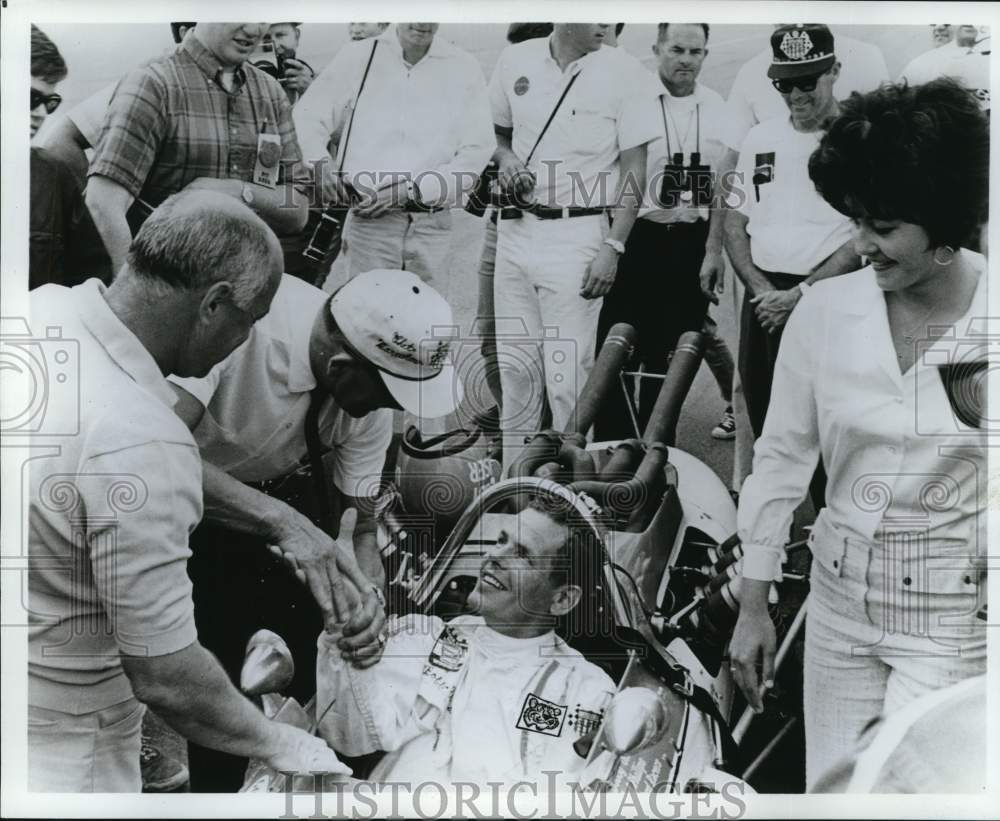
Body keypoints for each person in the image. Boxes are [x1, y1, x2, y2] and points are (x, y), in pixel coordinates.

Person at [27, 190, 351, 792]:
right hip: (63, 744)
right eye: (250, 321)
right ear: (214, 305)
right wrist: (283, 744)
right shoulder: (146, 439)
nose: (246, 339)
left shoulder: (38, 313)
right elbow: (168, 676)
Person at [730, 78, 989, 791]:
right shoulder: (824, 314)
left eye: (883, 227)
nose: (862, 246)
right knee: (832, 795)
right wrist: (755, 604)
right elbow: (780, 459)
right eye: (856, 222)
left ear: (944, 219)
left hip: (951, 621)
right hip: (837, 609)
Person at [169, 268, 463, 791]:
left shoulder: (362, 387)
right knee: (213, 675)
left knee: (303, 655)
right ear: (341, 365)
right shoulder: (244, 323)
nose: (392, 409)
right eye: (388, 394)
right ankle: (213, 789)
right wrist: (283, 523)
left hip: (274, 499)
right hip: (168, 496)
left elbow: (363, 524)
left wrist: (367, 598)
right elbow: (153, 449)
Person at [316, 495, 616, 785]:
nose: (494, 556)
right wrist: (349, 626)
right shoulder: (428, 638)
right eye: (501, 541)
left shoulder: (584, 691)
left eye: (522, 555)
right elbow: (348, 736)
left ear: (562, 599)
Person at [488, 24, 658, 471]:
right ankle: (514, 488)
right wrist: (505, 160)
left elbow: (634, 172)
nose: (608, 22)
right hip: (515, 231)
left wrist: (614, 246)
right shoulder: (516, 60)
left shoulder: (627, 73)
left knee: (567, 378)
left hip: (578, 236)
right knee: (517, 371)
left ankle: (565, 495)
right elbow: (495, 135)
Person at [594, 23, 737, 442]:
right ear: (657, 48)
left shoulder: (716, 106)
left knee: (672, 353)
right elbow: (623, 180)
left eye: (696, 52)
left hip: (691, 242)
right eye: (676, 49)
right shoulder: (635, 103)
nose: (685, 60)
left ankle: (657, 450)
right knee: (620, 346)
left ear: (706, 55)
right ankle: (613, 449)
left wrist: (714, 250)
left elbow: (722, 188)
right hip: (641, 238)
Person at [86, 22, 311, 275]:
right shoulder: (154, 82)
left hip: (239, 285)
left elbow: (298, 210)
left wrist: (238, 192)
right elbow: (103, 201)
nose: (253, 29)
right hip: (166, 282)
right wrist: (135, 291)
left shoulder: (270, 92)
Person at [725, 24, 859, 447]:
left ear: (834, 70)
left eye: (806, 82)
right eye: (784, 84)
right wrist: (764, 292)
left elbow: (866, 233)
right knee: (768, 425)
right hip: (764, 300)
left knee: (831, 425)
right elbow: (734, 220)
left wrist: (801, 294)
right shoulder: (761, 137)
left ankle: (829, 512)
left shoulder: (857, 139)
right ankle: (775, 514)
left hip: (830, 299)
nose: (796, 95)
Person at [293, 24, 495, 286]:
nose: (422, 21)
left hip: (431, 224)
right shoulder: (359, 56)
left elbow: (477, 150)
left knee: (426, 319)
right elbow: (307, 117)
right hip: (370, 223)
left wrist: (412, 191)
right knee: (367, 315)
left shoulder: (463, 66)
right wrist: (320, 164)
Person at [472, 22, 558, 418]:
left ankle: (548, 434)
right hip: (502, 221)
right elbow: (482, 132)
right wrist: (503, 157)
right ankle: (514, 419)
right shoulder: (510, 85)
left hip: (557, 229)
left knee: (554, 347)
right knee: (491, 336)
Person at [29, 25, 112, 289]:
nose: (41, 113)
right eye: (31, 98)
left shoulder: (55, 177)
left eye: (49, 102)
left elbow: (92, 278)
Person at [898, 23, 978, 84]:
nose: (938, 28)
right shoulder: (918, 63)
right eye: (933, 24)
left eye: (947, 24)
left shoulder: (977, 56)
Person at [261, 22, 316, 104]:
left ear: (296, 37)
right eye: (266, 38)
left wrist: (309, 90)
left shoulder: (316, 78)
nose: (275, 45)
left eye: (280, 35)